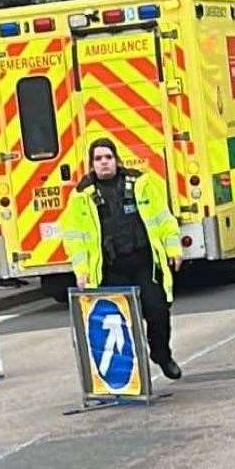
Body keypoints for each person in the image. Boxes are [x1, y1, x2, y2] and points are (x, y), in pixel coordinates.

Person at [60, 138, 184, 380]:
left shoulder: (140, 184)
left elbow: (164, 219)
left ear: (116, 160)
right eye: (98, 159)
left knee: (158, 311)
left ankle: (161, 354)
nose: (104, 162)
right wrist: (81, 270)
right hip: (110, 268)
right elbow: (75, 238)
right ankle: (124, 378)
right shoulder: (81, 197)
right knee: (115, 323)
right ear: (91, 164)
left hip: (143, 263)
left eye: (108, 157)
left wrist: (173, 248)